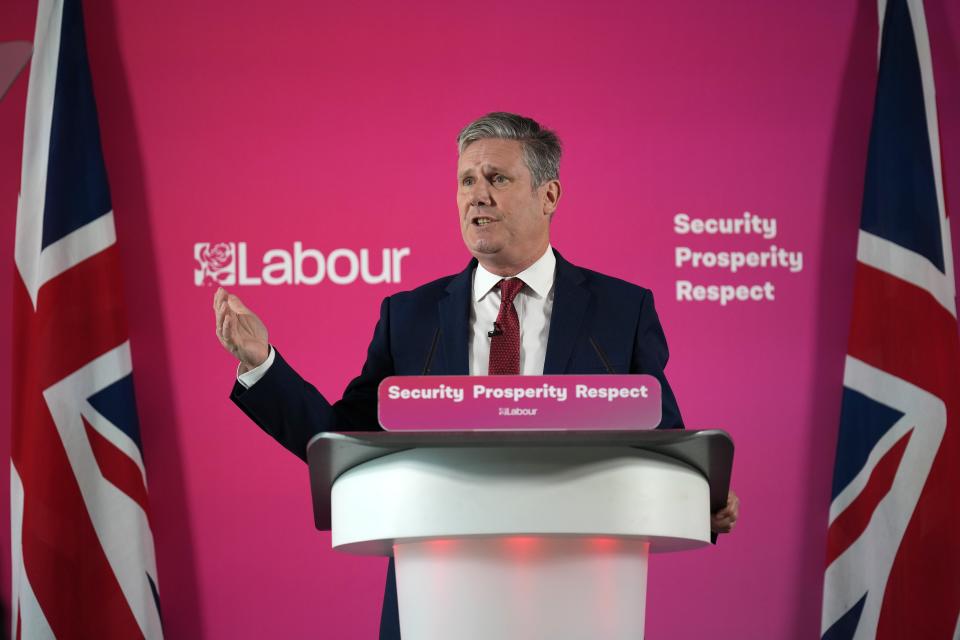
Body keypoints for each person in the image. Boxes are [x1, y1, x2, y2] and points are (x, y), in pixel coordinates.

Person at [214, 112, 739, 639]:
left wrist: (700, 497)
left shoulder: (619, 312)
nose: (477, 195)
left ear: (549, 195)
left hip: (578, 594)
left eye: (497, 178)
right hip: (434, 599)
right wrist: (263, 365)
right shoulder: (410, 317)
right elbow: (341, 440)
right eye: (467, 180)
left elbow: (665, 441)